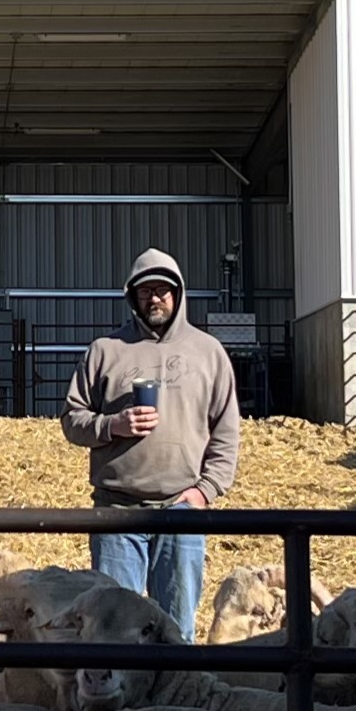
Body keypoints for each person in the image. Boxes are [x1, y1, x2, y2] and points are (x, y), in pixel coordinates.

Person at [62, 249, 241, 641]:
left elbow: (226, 431)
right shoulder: (105, 351)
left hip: (181, 510)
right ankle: (117, 704)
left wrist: (205, 491)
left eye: (163, 289)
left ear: (178, 294)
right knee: (112, 629)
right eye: (146, 291)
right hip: (116, 511)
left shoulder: (208, 353)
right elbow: (72, 421)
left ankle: (175, 697)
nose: (155, 298)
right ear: (133, 297)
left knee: (176, 629)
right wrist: (113, 424)